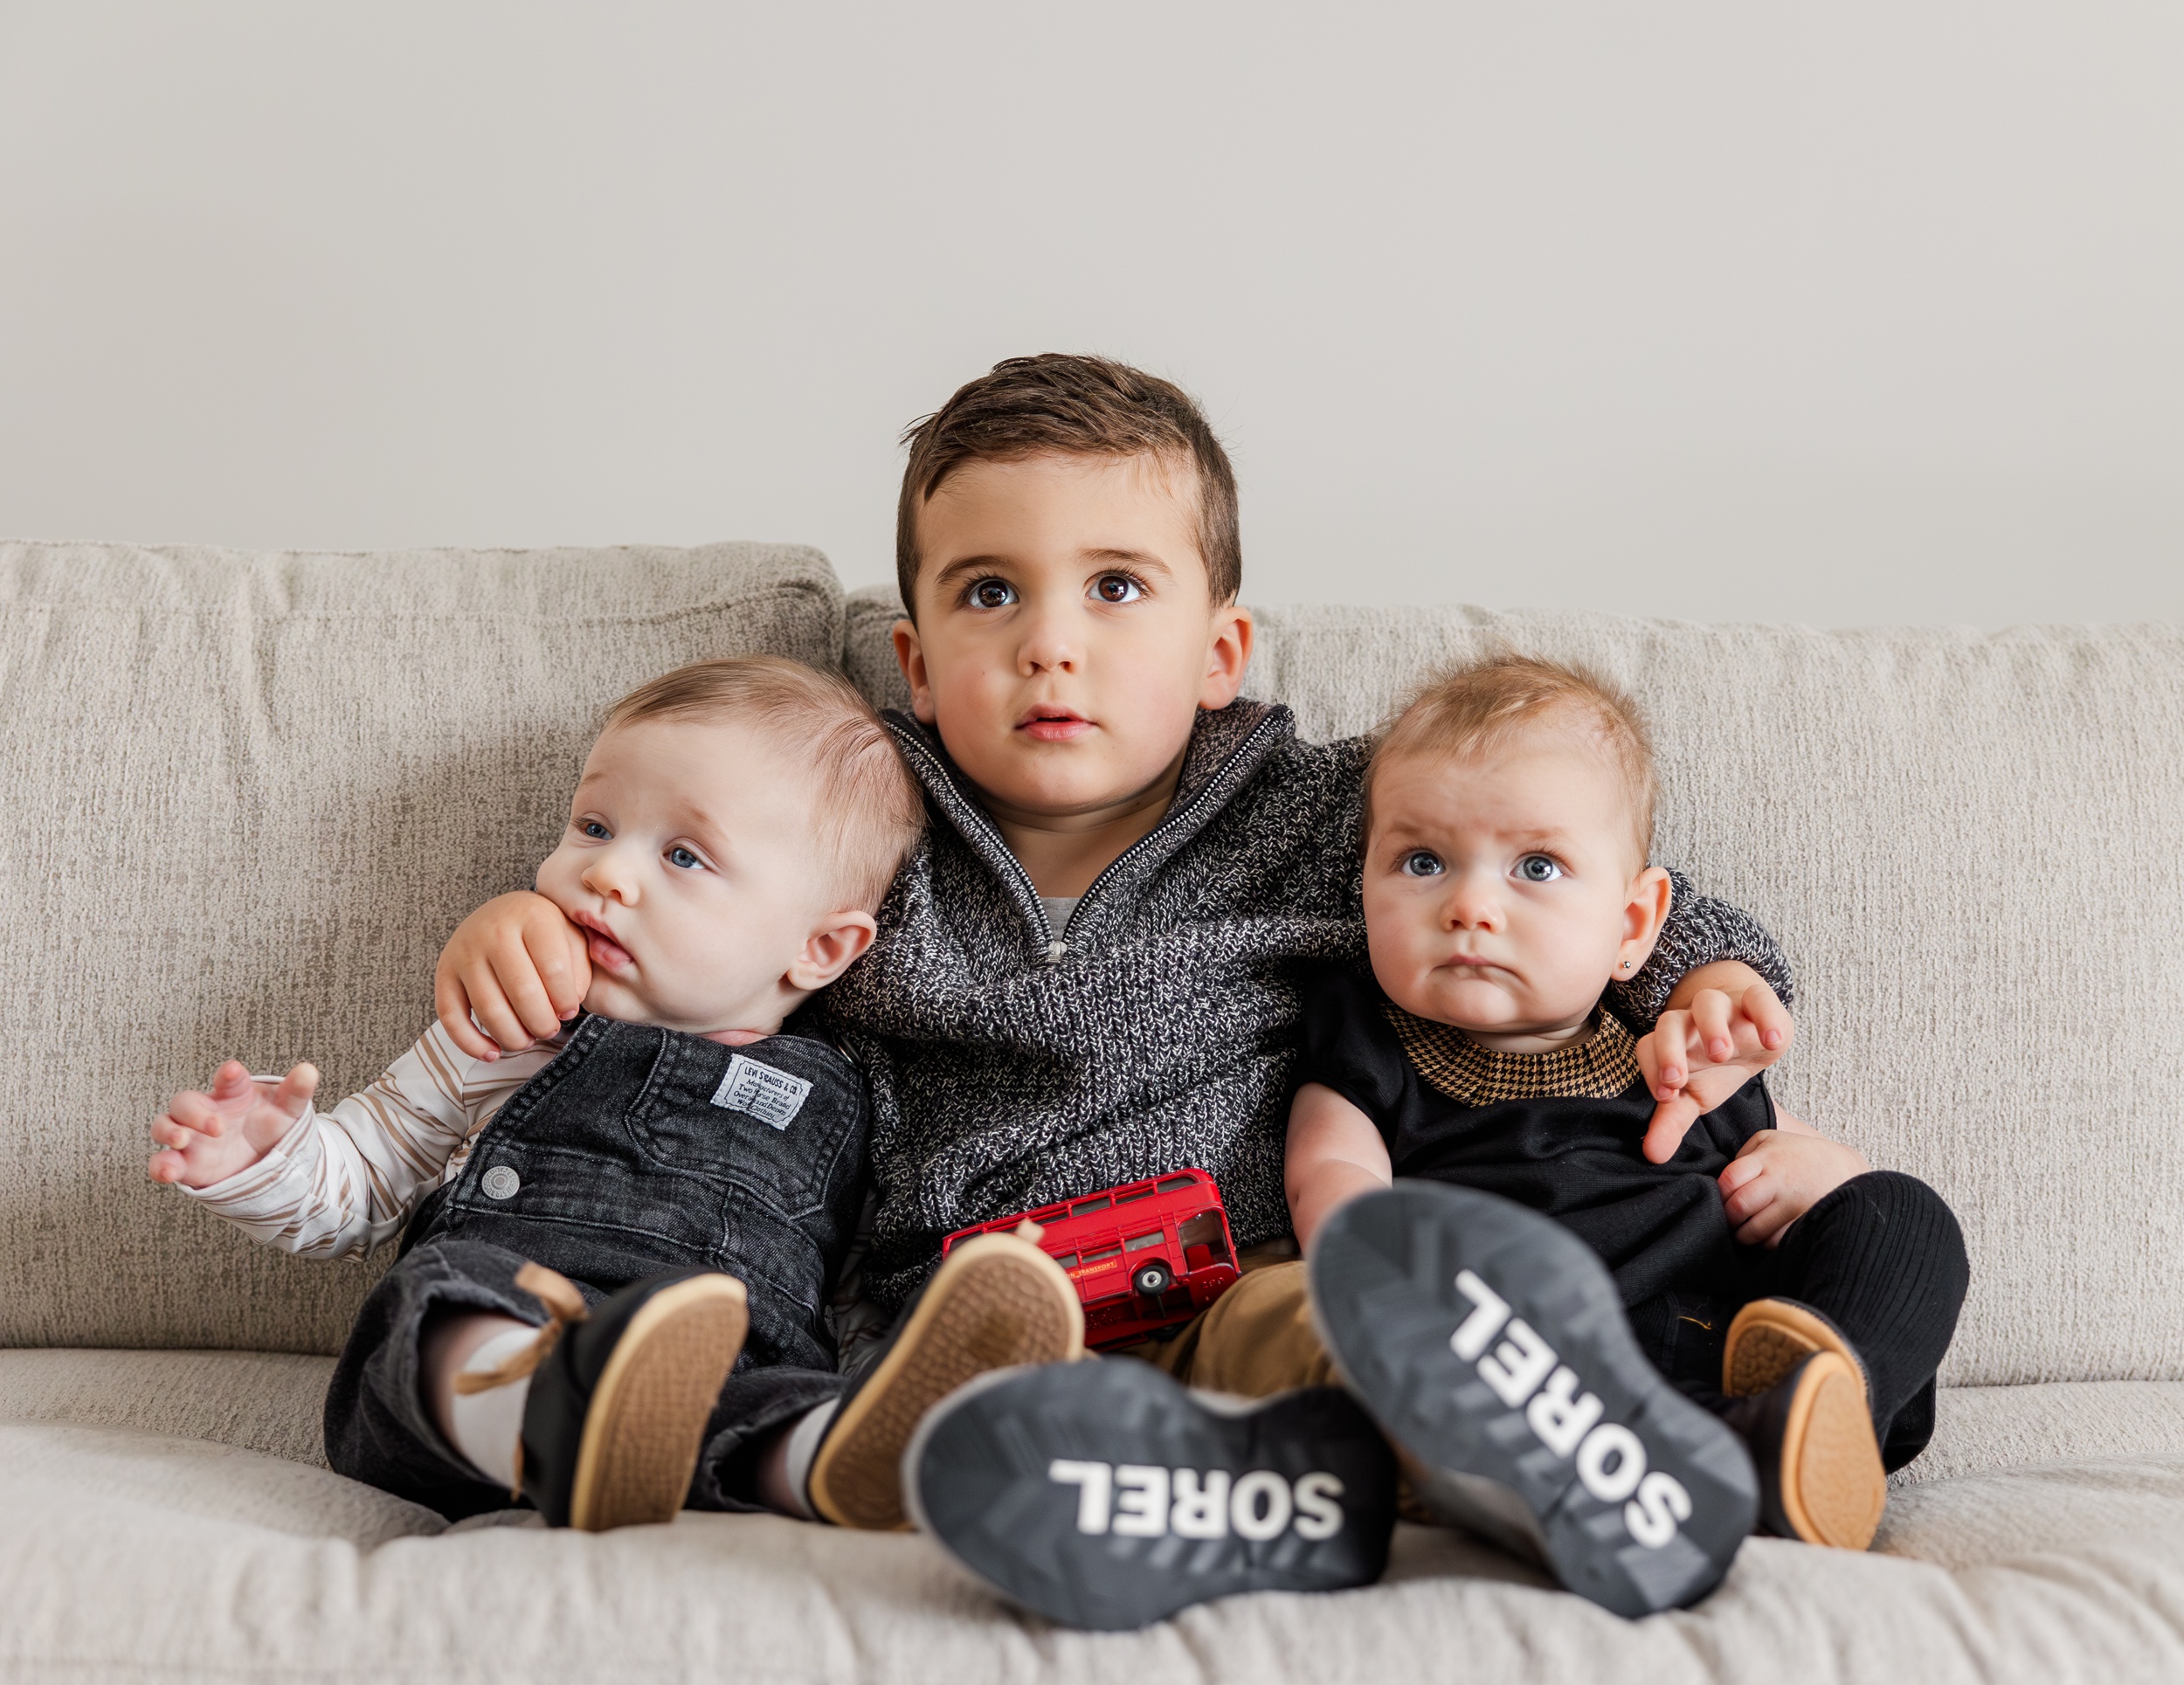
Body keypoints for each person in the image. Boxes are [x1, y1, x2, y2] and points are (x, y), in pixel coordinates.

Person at [427, 357, 1806, 1613]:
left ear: (1222, 653)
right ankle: (1184, 1490)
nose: (1050, 643)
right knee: (978, 1412)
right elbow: (677, 902)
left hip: (1228, 1285)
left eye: (1117, 587)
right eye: (988, 592)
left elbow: (1566, 853)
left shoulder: (1331, 814)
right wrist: (530, 925)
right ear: (914, 664)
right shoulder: (859, 832)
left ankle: (1459, 1465)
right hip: (965, 1315)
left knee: (1320, 1331)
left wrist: (1714, 974)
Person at [1102, 653, 1966, 1618]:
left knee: (1901, 1212)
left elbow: (1805, 1160)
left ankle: (1824, 1412)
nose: (1471, 905)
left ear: (1633, 924)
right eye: (1421, 863)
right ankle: (1722, 1474)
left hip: (1726, 1347)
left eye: (1537, 868)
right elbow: (1331, 1175)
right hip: (1536, 1370)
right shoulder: (1371, 1044)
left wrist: (1817, 1169)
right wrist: (1388, 1280)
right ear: (1363, 887)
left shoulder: (1673, 1052)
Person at [149, 656, 1083, 1531]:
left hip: (714, 1382)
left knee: (784, 1402)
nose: (605, 872)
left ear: (821, 949)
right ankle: (554, 1415)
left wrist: (909, 1373)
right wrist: (262, 1156)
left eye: (684, 857)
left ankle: (837, 1458)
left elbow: (851, 1300)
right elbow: (359, 1183)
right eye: (594, 827)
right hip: (488, 1368)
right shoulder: (511, 1029)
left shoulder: (845, 1100)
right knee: (430, 1305)